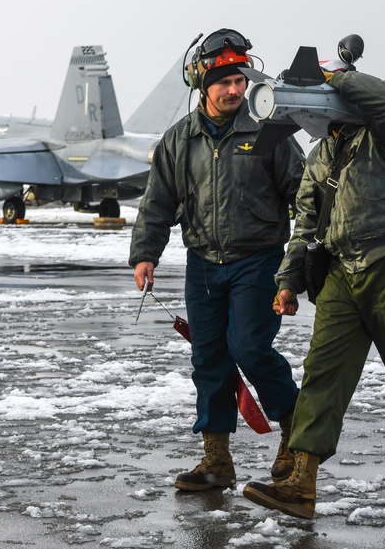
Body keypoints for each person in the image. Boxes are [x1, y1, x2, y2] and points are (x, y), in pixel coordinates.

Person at [243, 67, 385, 519]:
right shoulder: (320, 156)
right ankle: (302, 481)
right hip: (340, 271)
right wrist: (287, 280)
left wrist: (337, 77)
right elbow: (306, 223)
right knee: (321, 372)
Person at [129, 28, 304, 491]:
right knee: (209, 358)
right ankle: (217, 459)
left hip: (258, 261)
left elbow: (304, 198)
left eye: (240, 81)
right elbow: (157, 202)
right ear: (202, 85)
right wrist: (146, 254)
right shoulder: (179, 139)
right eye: (224, 82)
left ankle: (295, 435)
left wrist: (299, 263)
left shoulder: (270, 132)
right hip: (203, 264)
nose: (234, 90)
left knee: (249, 348)